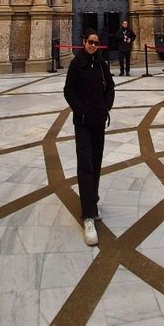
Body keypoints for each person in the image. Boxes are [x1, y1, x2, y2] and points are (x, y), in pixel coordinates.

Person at [63, 30, 115, 246]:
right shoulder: (76, 64)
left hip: (98, 120)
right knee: (85, 164)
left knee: (96, 160)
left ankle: (92, 204)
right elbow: (68, 91)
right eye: (90, 42)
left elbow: (110, 88)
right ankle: (87, 214)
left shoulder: (103, 66)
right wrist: (80, 111)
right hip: (83, 122)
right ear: (83, 43)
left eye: (96, 42)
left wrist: (106, 108)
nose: (93, 45)